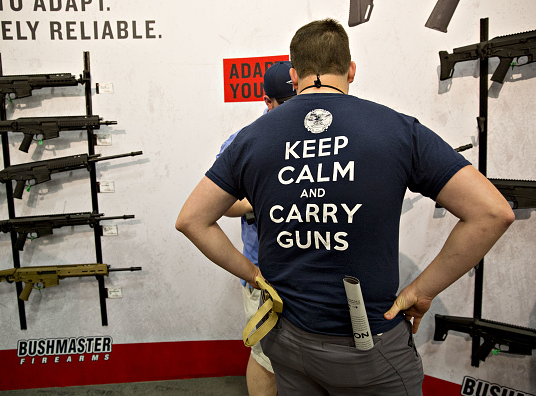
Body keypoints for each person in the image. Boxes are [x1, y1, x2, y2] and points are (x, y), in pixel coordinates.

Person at [176, 18, 514, 395]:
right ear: (351, 69)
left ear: (293, 74)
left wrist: (255, 276)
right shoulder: (396, 129)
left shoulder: (252, 137)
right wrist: (421, 290)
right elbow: (492, 212)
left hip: (287, 340)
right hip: (368, 347)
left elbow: (192, 220)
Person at [217, 60, 296, 396]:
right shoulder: (243, 143)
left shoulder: (321, 137)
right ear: (268, 102)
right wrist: (258, 200)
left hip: (311, 271)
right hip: (263, 276)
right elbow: (219, 205)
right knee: (266, 358)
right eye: (286, 105)